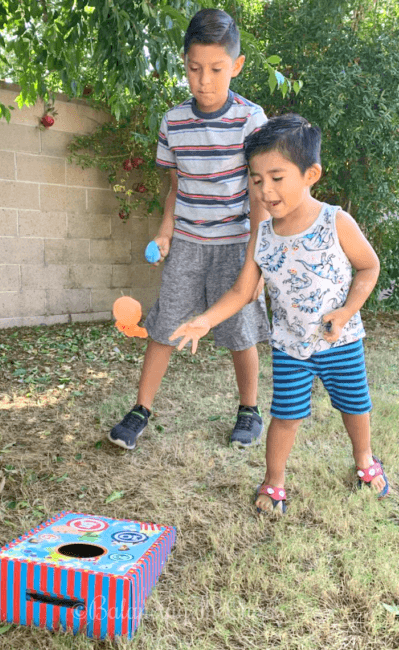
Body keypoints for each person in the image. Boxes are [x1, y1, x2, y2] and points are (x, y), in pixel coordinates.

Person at [169, 113, 390, 514]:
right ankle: (274, 482)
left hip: (340, 341)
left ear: (310, 174)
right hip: (289, 347)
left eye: (276, 177)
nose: (265, 190)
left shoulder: (335, 221)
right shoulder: (263, 234)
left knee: (355, 406)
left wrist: (346, 311)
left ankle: (364, 461)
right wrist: (205, 319)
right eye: (256, 180)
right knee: (285, 417)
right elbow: (242, 290)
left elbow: (369, 267)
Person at [108, 8, 270, 451]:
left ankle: (249, 410)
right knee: (164, 326)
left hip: (237, 243)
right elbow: (175, 187)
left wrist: (255, 263)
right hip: (187, 245)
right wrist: (165, 232)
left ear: (236, 66)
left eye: (217, 69)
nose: (205, 80)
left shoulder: (251, 121)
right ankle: (140, 410)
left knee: (240, 330)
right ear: (184, 64)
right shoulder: (173, 122)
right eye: (195, 69)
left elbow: (260, 197)